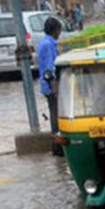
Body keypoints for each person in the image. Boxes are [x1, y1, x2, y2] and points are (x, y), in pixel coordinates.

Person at [38, 17, 63, 156]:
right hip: (51, 85)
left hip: (51, 85)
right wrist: (55, 88)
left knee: (56, 114)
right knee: (55, 115)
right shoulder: (48, 45)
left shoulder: (47, 43)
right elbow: (49, 69)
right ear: (56, 30)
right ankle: (57, 146)